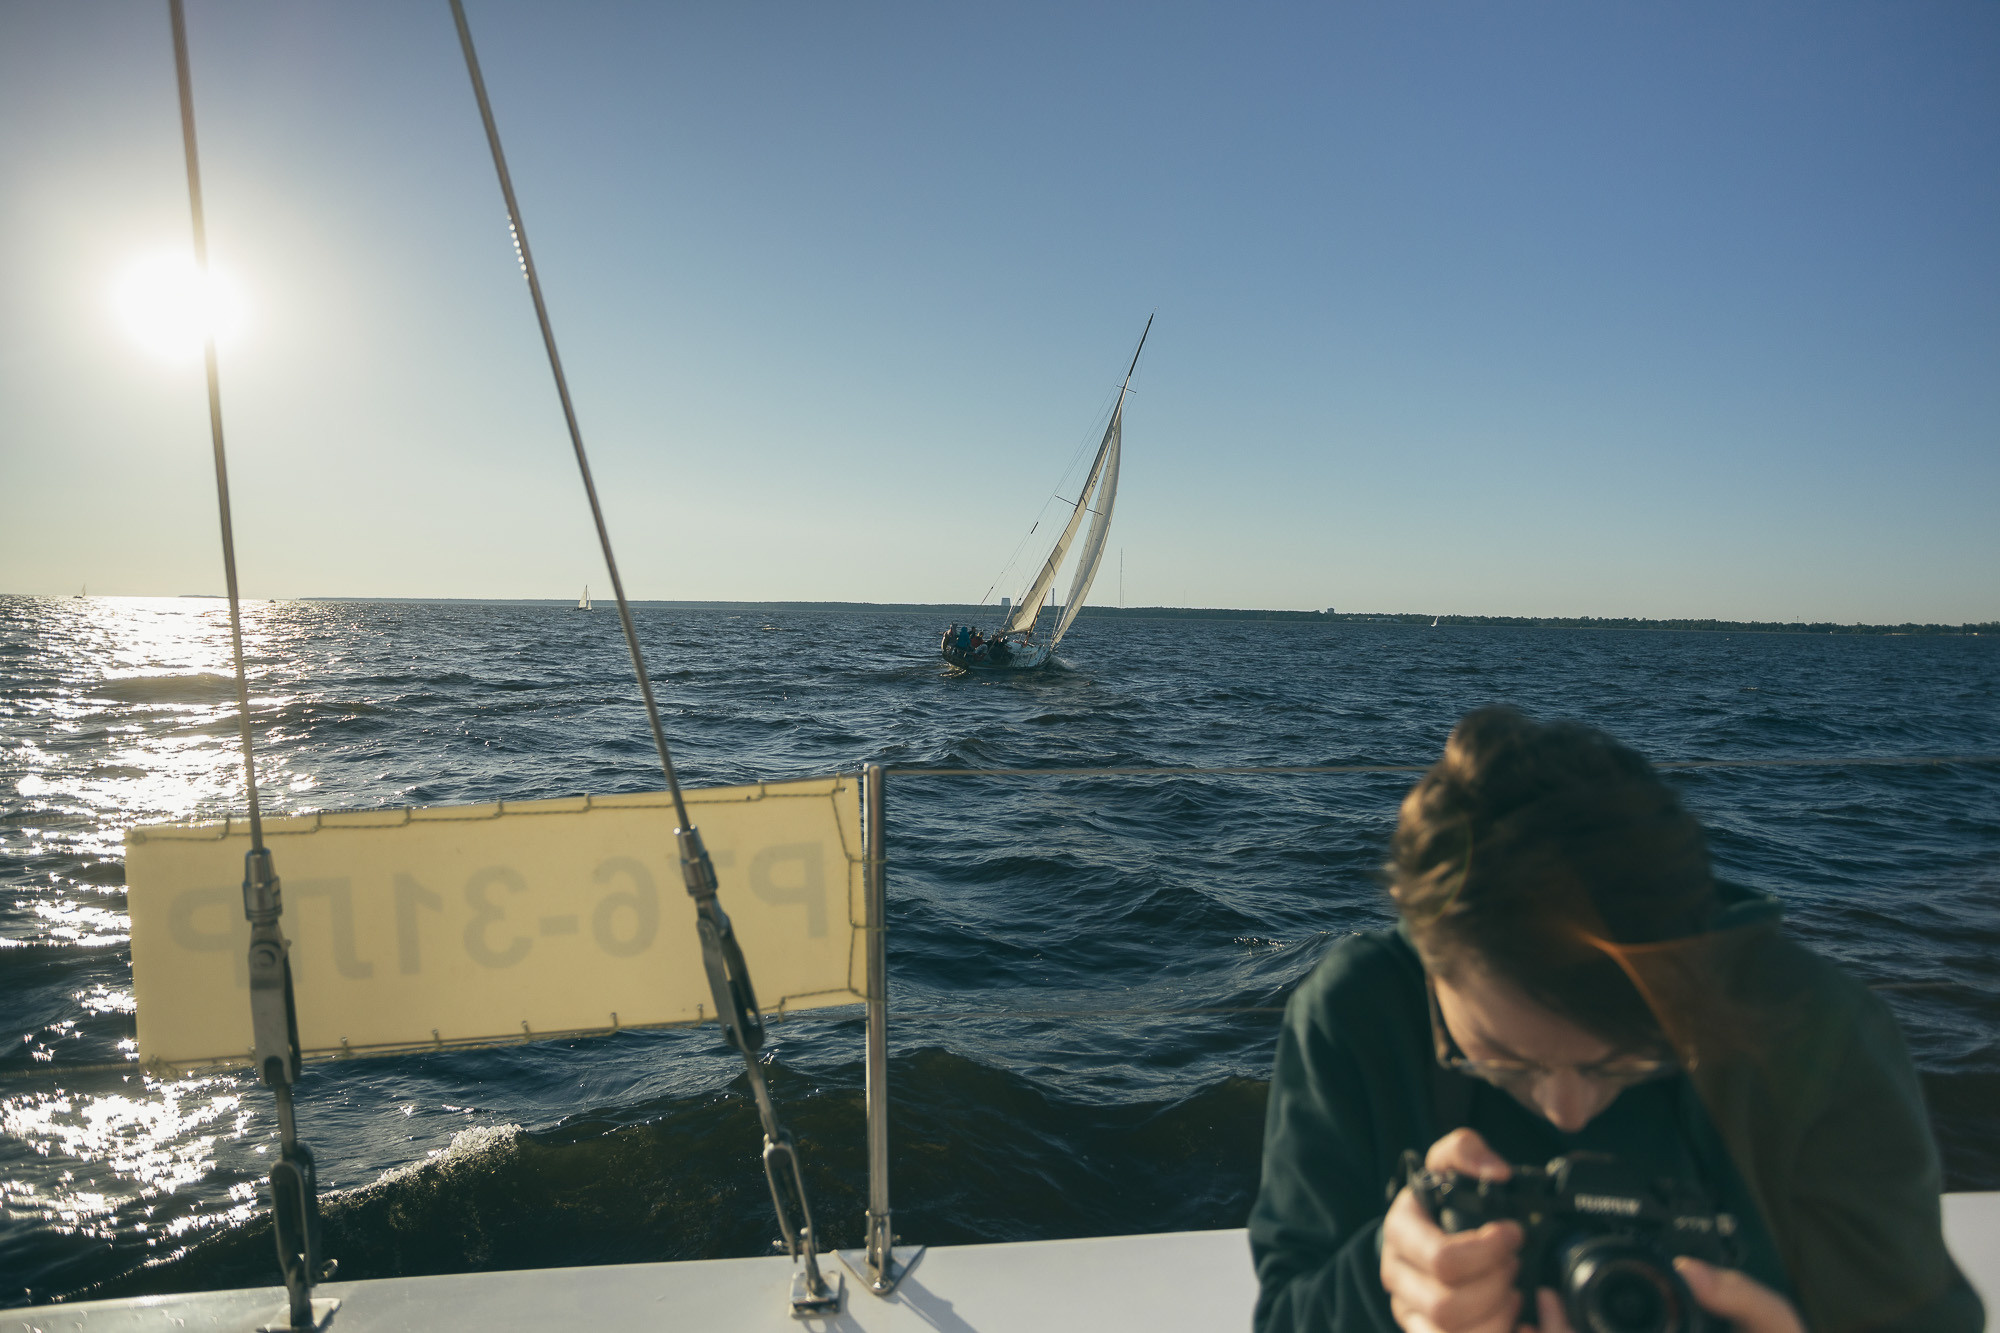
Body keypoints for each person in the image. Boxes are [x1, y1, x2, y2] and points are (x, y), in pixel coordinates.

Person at [1250, 706, 1982, 1333]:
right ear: (1429, 966)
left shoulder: (1821, 1031)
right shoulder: (1355, 1012)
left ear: (1690, 962)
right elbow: (1287, 1314)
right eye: (1505, 1060)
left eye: (1626, 1057)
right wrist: (1384, 1276)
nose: (1567, 1113)